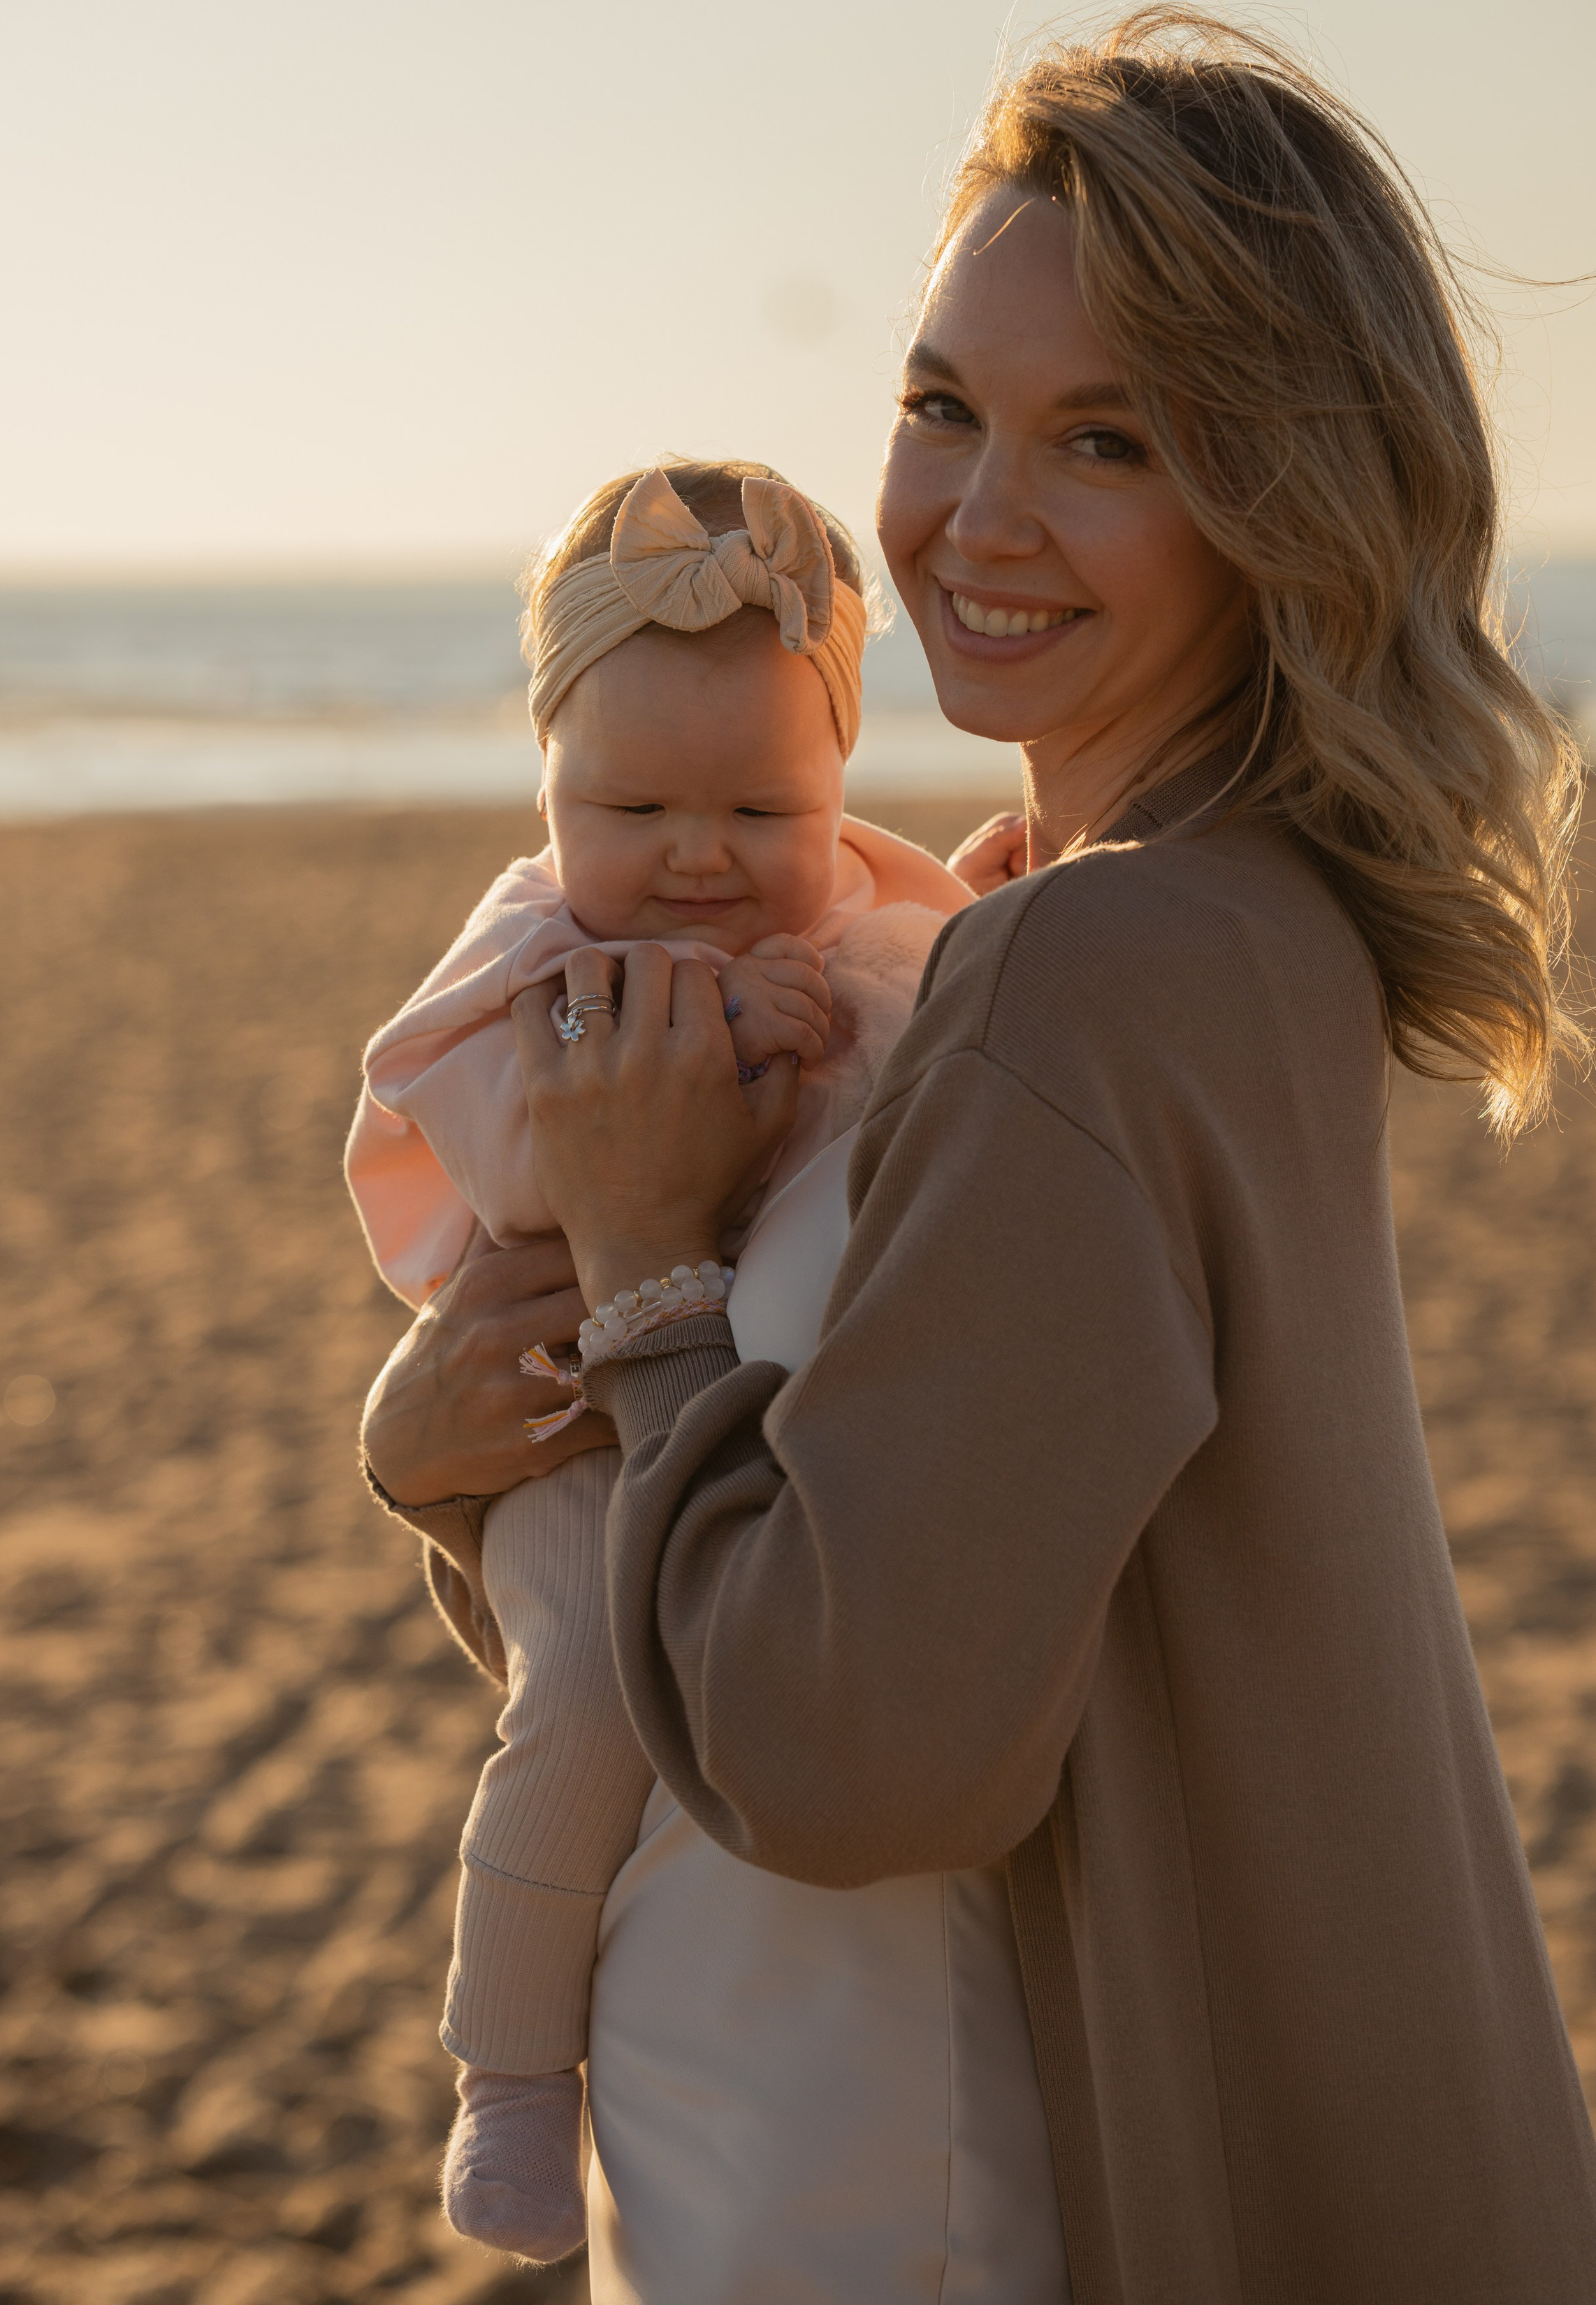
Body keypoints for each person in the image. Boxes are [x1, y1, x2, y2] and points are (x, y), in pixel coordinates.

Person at [365, 8, 1596, 2302]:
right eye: (943, 405)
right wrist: (457, 1465)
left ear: (1280, 496)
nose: (975, 514)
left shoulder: (1086, 965)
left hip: (1009, 2184)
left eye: (1109, 439)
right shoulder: (1204, 908)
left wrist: (648, 1267)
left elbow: (852, 1756)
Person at [347, 456, 971, 2262]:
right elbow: (522, 1165)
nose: (696, 857)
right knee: (591, 1706)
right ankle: (510, 2064)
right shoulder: (540, 961)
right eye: (630, 805)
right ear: (547, 791)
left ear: (841, 782)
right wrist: (699, 1039)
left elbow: (952, 1040)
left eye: (759, 808)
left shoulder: (871, 938)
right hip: (567, 1444)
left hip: (782, 1579)